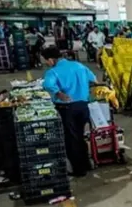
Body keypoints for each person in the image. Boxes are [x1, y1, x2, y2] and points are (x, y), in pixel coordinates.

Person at [41, 46, 103, 177]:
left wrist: (58, 93)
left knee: (71, 140)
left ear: (51, 60)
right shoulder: (78, 66)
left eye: (46, 61)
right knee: (80, 136)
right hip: (83, 107)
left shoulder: (53, 72)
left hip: (68, 109)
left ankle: (79, 170)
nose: (47, 63)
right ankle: (86, 163)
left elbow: (47, 85)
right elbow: (94, 80)